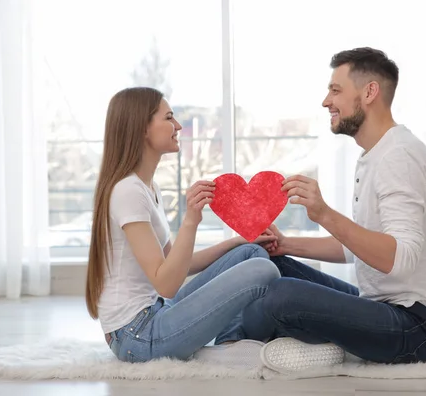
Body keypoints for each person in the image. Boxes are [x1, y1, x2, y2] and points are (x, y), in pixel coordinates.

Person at [240, 47, 426, 374]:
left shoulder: (399, 157)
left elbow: (398, 259)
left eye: (335, 90)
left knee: (280, 296)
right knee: (268, 265)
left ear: (369, 92)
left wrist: (324, 214)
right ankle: (322, 342)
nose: (326, 101)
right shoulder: (377, 153)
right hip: (380, 305)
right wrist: (286, 245)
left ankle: (235, 348)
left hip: (419, 329)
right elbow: (360, 245)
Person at [85, 87, 281, 366]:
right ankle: (232, 342)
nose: (178, 126)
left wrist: (238, 241)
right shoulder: (128, 191)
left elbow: (176, 264)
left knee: (250, 254)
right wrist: (191, 220)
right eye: (169, 118)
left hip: (157, 311)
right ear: (142, 128)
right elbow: (166, 283)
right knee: (264, 270)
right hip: (138, 336)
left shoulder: (148, 187)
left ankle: (229, 341)